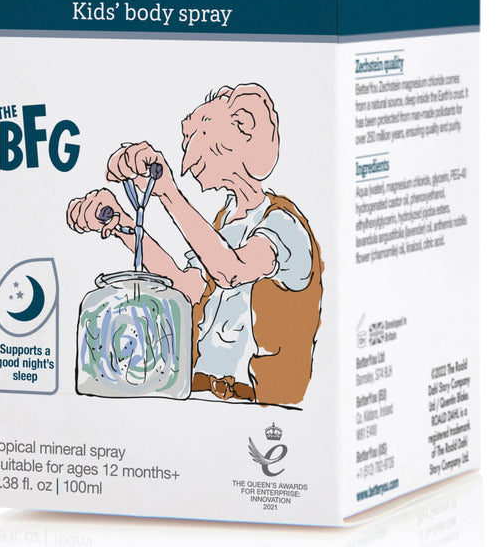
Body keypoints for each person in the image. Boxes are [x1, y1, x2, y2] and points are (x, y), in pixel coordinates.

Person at [65, 83, 323, 406]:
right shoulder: (223, 225)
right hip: (200, 392)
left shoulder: (284, 225)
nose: (187, 160)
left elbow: (231, 271)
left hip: (259, 404)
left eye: (199, 133)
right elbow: (184, 287)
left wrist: (168, 193)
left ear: (244, 127)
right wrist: (123, 225)